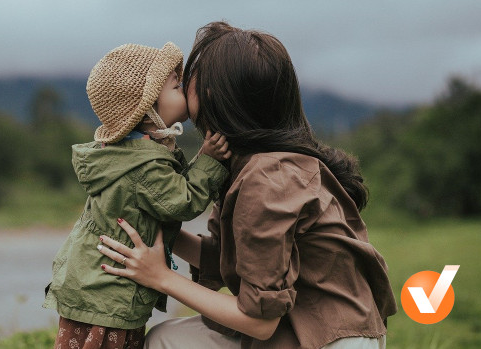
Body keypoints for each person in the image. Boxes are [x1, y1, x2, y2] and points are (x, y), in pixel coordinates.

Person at [96, 22, 398, 349]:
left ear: (215, 94)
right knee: (166, 338)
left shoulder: (269, 177)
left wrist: (162, 277)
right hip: (309, 324)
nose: (182, 88)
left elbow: (260, 320)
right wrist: (160, 227)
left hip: (329, 338)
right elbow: (237, 259)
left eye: (190, 80)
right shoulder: (252, 163)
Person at [43, 42, 232, 349]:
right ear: (148, 111)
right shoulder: (143, 165)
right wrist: (209, 160)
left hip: (95, 287)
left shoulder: (129, 153)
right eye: (176, 86)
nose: (184, 91)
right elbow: (183, 201)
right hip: (107, 297)